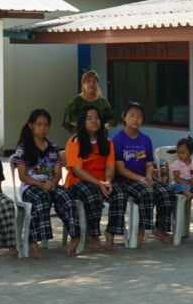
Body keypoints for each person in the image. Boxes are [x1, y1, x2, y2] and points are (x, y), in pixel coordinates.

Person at [10, 108, 73, 259]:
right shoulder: (23, 148)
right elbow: (23, 176)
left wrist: (53, 182)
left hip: (50, 184)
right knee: (41, 199)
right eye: (39, 124)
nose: (43, 128)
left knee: (66, 197)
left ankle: (76, 236)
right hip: (31, 187)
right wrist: (40, 184)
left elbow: (58, 172)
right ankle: (33, 242)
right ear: (31, 125)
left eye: (46, 125)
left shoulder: (53, 148)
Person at [110, 102, 174, 246]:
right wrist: (141, 179)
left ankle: (160, 229)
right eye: (132, 115)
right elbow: (120, 169)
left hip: (144, 176)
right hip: (125, 179)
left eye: (139, 116)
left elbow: (149, 163)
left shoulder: (145, 140)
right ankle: (141, 229)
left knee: (166, 192)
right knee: (146, 191)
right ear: (124, 118)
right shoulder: (117, 140)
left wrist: (149, 176)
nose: (135, 119)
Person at [63, 105, 119, 250]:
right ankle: (92, 234)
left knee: (119, 194)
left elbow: (110, 166)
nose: (94, 121)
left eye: (97, 118)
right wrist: (99, 183)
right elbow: (77, 170)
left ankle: (111, 233)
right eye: (89, 118)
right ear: (83, 122)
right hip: (77, 183)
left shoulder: (107, 142)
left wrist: (107, 181)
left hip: (101, 181)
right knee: (92, 193)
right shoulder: (75, 141)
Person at [61, 69, 114, 136]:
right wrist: (81, 130)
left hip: (100, 138)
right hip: (80, 137)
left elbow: (111, 121)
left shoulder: (103, 102)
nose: (91, 84)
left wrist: (101, 128)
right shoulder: (75, 102)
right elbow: (67, 122)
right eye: (88, 81)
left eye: (94, 82)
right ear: (83, 84)